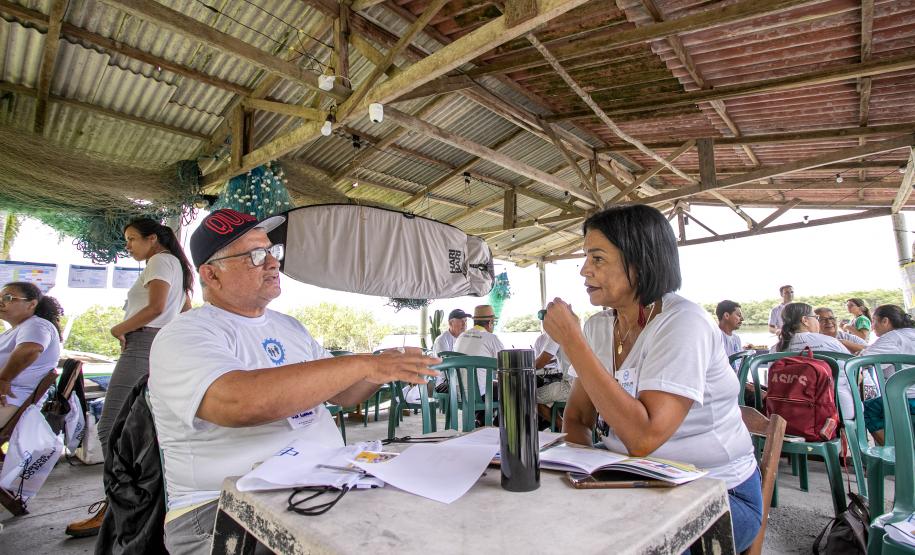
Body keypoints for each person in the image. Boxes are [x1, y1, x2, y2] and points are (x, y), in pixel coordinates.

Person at [148, 209, 439, 554]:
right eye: (256, 255)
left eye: (273, 252)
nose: (272, 263)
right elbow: (240, 403)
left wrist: (379, 372)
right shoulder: (184, 334)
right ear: (212, 275)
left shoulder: (290, 328)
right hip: (225, 507)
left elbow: (345, 394)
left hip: (324, 482)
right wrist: (363, 363)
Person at [541, 204, 761, 553]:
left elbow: (644, 438)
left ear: (640, 262)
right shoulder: (600, 327)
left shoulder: (682, 323)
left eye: (597, 258)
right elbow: (578, 419)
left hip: (714, 492)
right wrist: (584, 472)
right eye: (585, 258)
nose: (584, 270)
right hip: (627, 479)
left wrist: (571, 341)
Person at [66, 217, 194, 538]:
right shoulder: (175, 265)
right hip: (157, 344)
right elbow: (185, 310)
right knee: (144, 428)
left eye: (132, 239)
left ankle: (117, 504)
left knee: (112, 426)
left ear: (153, 239)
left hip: (141, 344)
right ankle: (140, 500)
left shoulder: (160, 261)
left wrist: (118, 328)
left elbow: (156, 307)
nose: (128, 246)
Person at [771, 302, 855, 419]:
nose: (818, 322)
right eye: (816, 318)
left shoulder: (775, 349)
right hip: (838, 410)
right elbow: (855, 372)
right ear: (805, 320)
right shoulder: (830, 342)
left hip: (788, 415)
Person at [0, 282, 63, 427]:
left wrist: (3, 379)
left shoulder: (37, 325)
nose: (1, 302)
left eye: (8, 298)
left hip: (10, 401)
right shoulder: (19, 328)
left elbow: (30, 350)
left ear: (31, 304)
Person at [859, 304, 915, 445]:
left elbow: (862, 361)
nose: (872, 326)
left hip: (906, 401)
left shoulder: (892, 337)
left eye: (874, 321)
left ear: (885, 321)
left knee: (867, 409)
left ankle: (898, 454)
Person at [533, 331, 572, 430]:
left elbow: (541, 362)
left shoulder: (557, 333)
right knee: (545, 396)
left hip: (570, 387)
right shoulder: (577, 330)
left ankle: (565, 429)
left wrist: (520, 366)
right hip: (585, 386)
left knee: (530, 397)